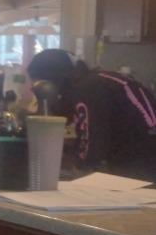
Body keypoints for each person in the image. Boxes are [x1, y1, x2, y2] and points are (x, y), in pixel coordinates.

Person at [27, 49, 156, 180]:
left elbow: (91, 150)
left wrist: (73, 166)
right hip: (142, 159)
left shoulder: (89, 90)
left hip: (139, 169)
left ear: (54, 81)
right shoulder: (98, 81)